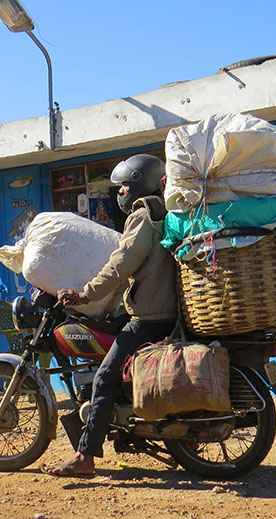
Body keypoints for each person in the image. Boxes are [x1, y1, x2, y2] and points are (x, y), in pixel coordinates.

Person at [42, 154, 179, 478]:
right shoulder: (164, 212)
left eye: (124, 186)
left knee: (105, 376)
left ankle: (85, 457)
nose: (120, 193)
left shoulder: (144, 216)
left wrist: (85, 293)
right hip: (159, 309)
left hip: (151, 315)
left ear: (139, 185)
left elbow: (122, 263)